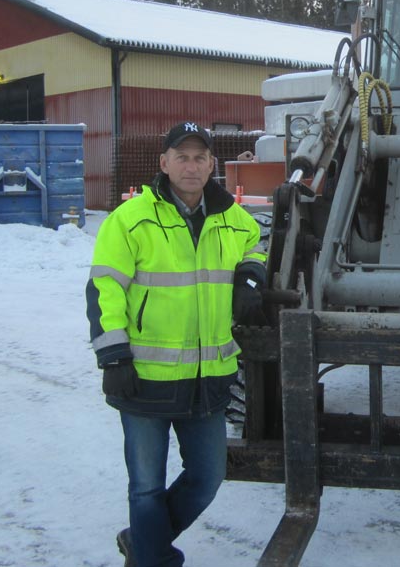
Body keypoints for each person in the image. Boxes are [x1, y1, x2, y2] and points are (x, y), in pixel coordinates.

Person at [86, 121, 267, 567]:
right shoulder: (129, 220)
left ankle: (143, 541)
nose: (191, 166)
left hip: (209, 378)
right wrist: (112, 354)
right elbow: (103, 289)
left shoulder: (233, 218)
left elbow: (256, 242)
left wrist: (250, 272)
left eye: (199, 157)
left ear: (212, 165)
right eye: (181, 157)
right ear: (163, 163)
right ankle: (153, 559)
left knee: (207, 478)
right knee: (146, 486)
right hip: (144, 378)